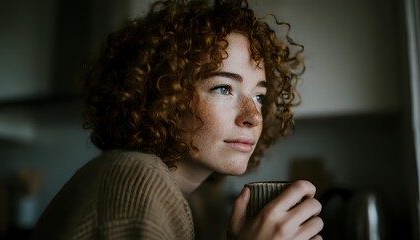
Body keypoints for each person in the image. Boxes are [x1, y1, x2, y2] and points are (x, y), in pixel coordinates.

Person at [31, 0, 323, 239]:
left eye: (259, 96)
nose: (253, 116)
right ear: (163, 94)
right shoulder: (136, 180)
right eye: (223, 88)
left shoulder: (178, 195)